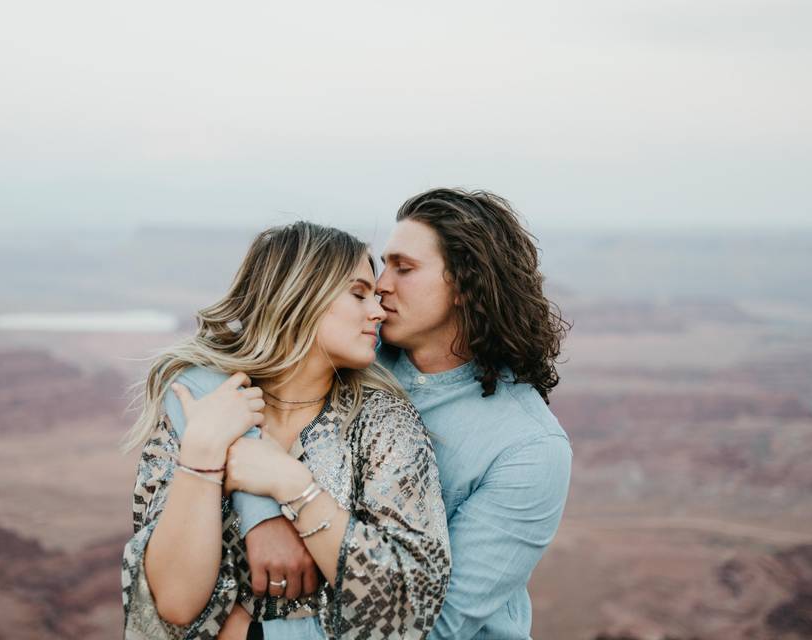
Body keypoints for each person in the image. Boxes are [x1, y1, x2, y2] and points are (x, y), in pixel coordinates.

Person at [235, 189, 572, 639]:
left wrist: (251, 631)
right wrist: (261, 516)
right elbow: (208, 373)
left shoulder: (528, 448)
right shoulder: (358, 352)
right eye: (383, 266)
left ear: (466, 285)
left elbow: (434, 628)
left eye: (404, 268)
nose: (381, 285)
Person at [120, 221, 450, 640]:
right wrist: (203, 456)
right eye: (357, 293)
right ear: (299, 296)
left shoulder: (384, 424)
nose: (378, 311)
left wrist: (295, 488)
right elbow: (174, 604)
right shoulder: (203, 411)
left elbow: (409, 606)